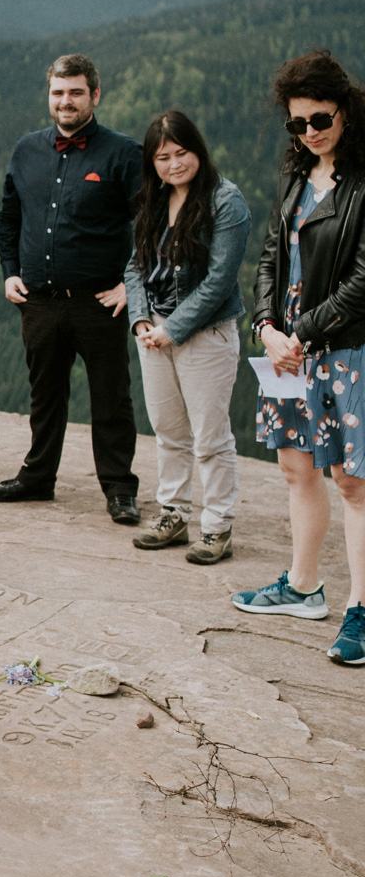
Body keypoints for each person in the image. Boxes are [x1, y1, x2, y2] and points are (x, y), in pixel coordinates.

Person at [232, 49, 365, 668]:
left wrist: (300, 334)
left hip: (342, 349)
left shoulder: (363, 180)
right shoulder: (295, 174)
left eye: (320, 119)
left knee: (354, 483)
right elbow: (268, 255)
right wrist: (265, 324)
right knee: (295, 468)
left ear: (346, 110)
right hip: (288, 351)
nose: (309, 132)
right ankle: (304, 586)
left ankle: (360, 611)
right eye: (297, 123)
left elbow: (363, 281)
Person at [0, 54, 142, 522]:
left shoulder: (122, 153)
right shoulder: (27, 149)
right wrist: (10, 270)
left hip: (99, 301)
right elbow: (9, 216)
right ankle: (37, 479)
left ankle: (118, 490)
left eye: (75, 92)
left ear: (95, 94)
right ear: (48, 96)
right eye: (58, 92)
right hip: (39, 301)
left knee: (111, 398)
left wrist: (132, 284)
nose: (65, 101)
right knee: (44, 395)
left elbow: (152, 225)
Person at [124, 111, 250, 564]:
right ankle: (173, 513)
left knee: (210, 437)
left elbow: (219, 281)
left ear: (197, 150)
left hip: (205, 335)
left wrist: (171, 330)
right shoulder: (154, 200)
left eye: (181, 153)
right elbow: (135, 265)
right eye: (163, 157)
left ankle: (217, 526)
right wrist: (141, 320)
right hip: (153, 331)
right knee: (169, 430)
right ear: (152, 162)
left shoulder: (225, 202)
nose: (174, 164)